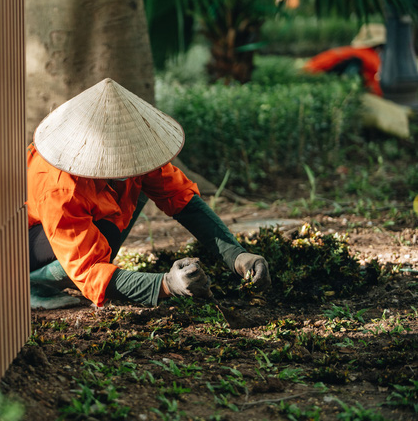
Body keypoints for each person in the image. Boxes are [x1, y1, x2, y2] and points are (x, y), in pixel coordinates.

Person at [27, 78, 271, 309]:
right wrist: (167, 284)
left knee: (123, 210)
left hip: (74, 226)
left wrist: (238, 257)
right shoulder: (61, 187)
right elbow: (89, 270)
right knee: (105, 233)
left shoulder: (135, 152)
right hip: (24, 242)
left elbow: (183, 201)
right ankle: (33, 283)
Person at [303, 23, 386, 96]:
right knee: (355, 62)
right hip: (317, 75)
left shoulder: (353, 51)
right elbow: (373, 78)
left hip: (309, 70)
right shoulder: (369, 56)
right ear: (379, 46)